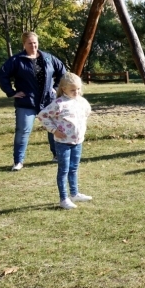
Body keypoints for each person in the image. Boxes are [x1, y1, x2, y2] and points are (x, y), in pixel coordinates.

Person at [0, 31, 66, 171]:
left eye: (35, 43)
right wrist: (11, 92)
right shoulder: (16, 60)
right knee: (23, 130)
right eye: (30, 43)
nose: (33, 46)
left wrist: (56, 88)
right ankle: (18, 162)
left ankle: (57, 155)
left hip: (48, 101)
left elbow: (62, 72)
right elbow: (2, 75)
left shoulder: (48, 58)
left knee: (53, 129)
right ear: (24, 44)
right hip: (26, 102)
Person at [37, 73, 93, 210]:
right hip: (63, 143)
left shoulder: (82, 102)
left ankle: (74, 193)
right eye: (73, 90)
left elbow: (87, 113)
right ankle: (63, 198)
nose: (76, 92)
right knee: (64, 170)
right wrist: (54, 130)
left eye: (78, 89)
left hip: (77, 141)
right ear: (63, 89)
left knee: (74, 168)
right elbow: (42, 115)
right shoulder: (59, 104)